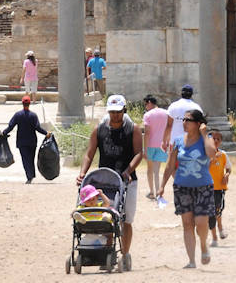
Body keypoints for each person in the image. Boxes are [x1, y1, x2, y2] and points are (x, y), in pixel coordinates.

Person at [76, 93, 144, 272]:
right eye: (112, 112)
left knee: (126, 218)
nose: (115, 115)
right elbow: (89, 153)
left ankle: (126, 253)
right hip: (105, 181)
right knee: (104, 217)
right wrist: (83, 173)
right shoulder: (99, 129)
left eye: (118, 112)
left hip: (127, 180)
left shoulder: (133, 129)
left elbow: (139, 153)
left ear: (124, 110)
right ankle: (106, 251)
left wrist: (128, 171)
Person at [158, 108, 217, 268]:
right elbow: (170, 165)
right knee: (187, 224)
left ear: (198, 124)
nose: (184, 123)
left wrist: (205, 134)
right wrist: (162, 185)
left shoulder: (206, 139)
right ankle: (191, 260)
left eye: (188, 120)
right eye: (183, 120)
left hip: (203, 187)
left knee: (201, 222)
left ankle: (204, 246)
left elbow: (212, 154)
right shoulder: (178, 141)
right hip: (182, 187)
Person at [0, 95, 48, 183]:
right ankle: (31, 175)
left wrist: (4, 133)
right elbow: (37, 128)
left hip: (22, 141)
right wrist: (46, 133)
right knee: (31, 158)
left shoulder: (18, 115)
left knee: (25, 159)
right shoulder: (33, 115)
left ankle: (29, 176)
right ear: (29, 104)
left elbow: (11, 126)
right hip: (32, 141)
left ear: (22, 104)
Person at [141, 94, 168, 200]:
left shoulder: (148, 115)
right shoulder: (166, 113)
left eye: (145, 104)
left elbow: (147, 133)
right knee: (157, 170)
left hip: (151, 144)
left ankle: (152, 191)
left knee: (150, 169)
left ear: (149, 103)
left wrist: (145, 148)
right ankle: (158, 191)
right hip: (162, 144)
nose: (145, 107)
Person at [208, 129, 230, 246]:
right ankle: (214, 237)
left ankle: (220, 226)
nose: (215, 141)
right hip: (206, 188)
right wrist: (211, 160)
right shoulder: (205, 154)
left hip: (219, 188)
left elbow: (228, 168)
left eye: (218, 139)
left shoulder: (223, 155)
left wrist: (226, 175)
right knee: (210, 214)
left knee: (217, 211)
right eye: (213, 139)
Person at [164, 83, 200, 152]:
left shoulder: (173, 106)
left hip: (174, 141)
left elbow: (169, 125)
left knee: (173, 162)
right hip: (191, 142)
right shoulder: (197, 107)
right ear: (191, 94)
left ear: (181, 93)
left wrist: (164, 140)